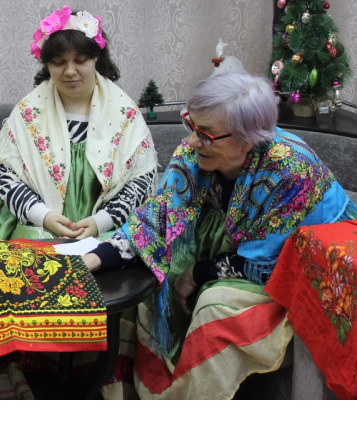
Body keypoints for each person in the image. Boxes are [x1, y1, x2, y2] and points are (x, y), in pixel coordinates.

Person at [85, 71, 357, 399]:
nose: (192, 141)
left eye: (206, 134)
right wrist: (94, 258)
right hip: (237, 248)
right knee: (152, 277)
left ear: (248, 139)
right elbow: (158, 218)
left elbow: (265, 265)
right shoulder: (196, 150)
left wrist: (198, 273)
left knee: (215, 308)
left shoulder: (290, 170)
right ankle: (130, 395)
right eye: (192, 125)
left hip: (299, 264)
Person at [0, 5, 158, 244]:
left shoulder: (123, 112)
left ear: (96, 58)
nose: (70, 71)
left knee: (114, 254)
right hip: (38, 224)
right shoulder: (28, 112)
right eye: (58, 62)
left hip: (108, 225)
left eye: (80, 60)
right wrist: (43, 216)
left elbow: (141, 179)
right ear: (47, 64)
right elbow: (6, 177)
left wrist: (101, 222)